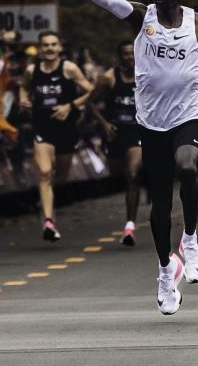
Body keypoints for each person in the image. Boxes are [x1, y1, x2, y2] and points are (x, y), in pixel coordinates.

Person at [68, 0, 198, 316]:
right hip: (151, 122)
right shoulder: (142, 17)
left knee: (188, 167)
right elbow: (108, 0)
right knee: (159, 204)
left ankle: (190, 241)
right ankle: (164, 272)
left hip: (188, 115)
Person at [20, 30, 93, 242]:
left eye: (53, 45)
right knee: (44, 173)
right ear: (40, 49)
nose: (50, 49)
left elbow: (92, 91)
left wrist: (70, 106)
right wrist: (24, 100)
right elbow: (23, 88)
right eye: (45, 45)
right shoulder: (32, 71)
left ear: (59, 47)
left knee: (59, 176)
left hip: (66, 131)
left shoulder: (69, 69)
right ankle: (48, 221)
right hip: (43, 128)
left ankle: (48, 204)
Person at [87, 41, 143, 246]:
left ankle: (130, 225)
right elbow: (90, 101)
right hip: (115, 133)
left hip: (137, 132)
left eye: (132, 54)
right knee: (119, 175)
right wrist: (104, 123)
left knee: (133, 174)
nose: (129, 57)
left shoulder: (146, 75)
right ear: (119, 57)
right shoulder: (108, 78)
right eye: (125, 54)